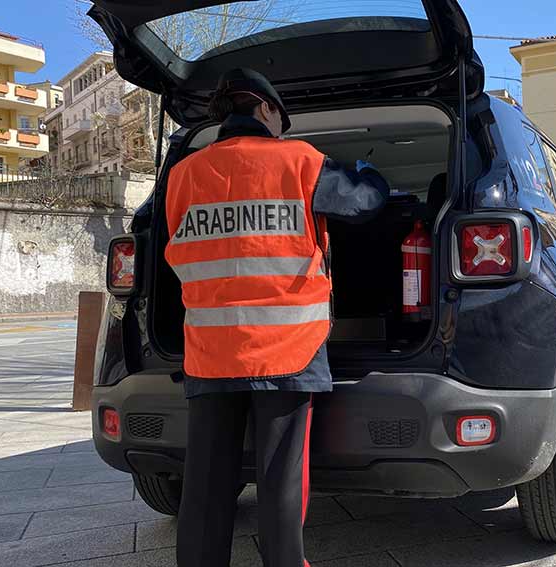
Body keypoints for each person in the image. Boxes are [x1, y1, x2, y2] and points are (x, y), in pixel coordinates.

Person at [165, 68, 389, 567]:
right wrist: (369, 171)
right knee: (280, 479)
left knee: (204, 484)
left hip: (210, 352)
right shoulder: (301, 162)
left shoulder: (183, 174)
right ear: (266, 109)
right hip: (286, 351)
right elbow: (366, 203)